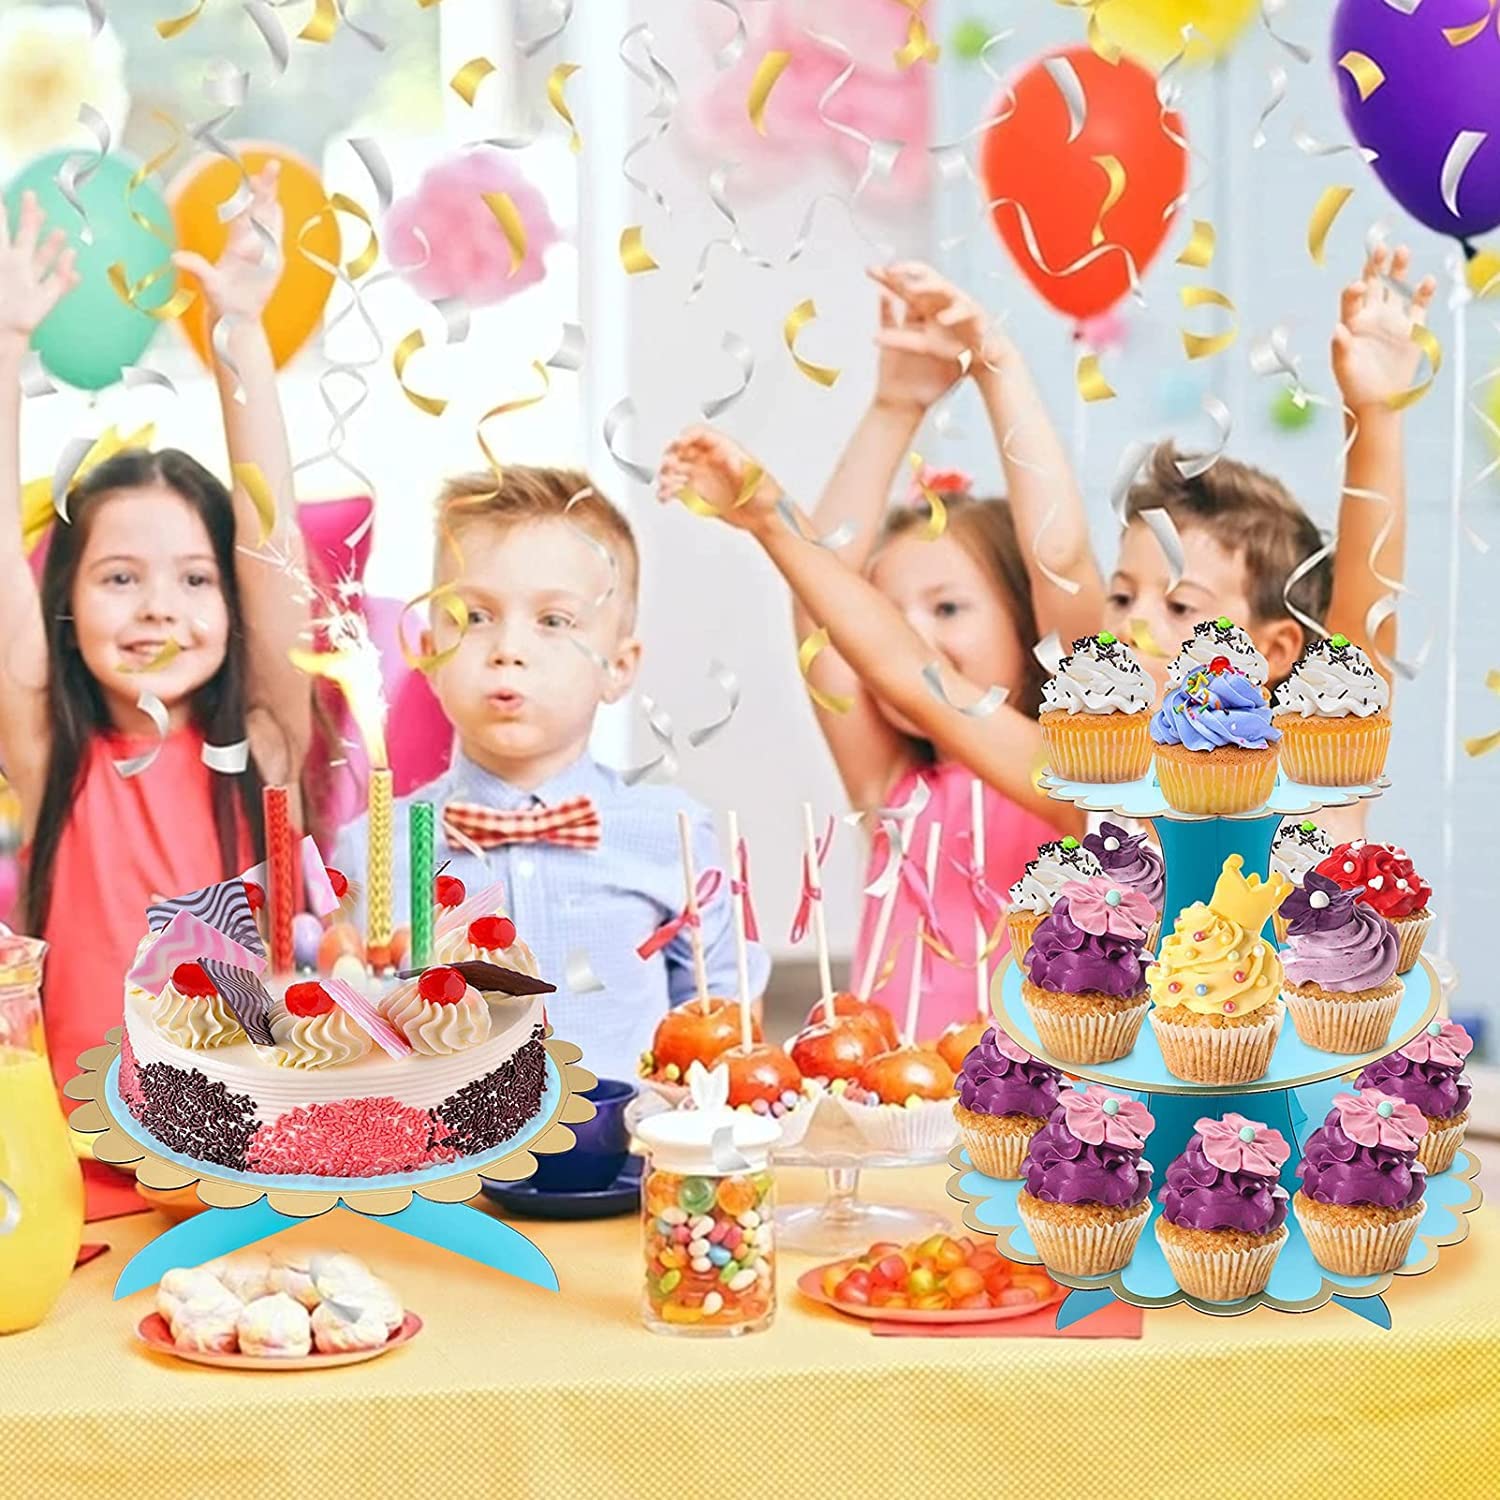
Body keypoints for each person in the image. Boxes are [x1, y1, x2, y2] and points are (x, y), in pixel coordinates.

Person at [0, 164, 311, 1092]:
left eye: (194, 578)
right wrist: (10, 342)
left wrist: (241, 338)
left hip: (250, 1162)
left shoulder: (264, 744)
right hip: (88, 1183)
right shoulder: (52, 748)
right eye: (119, 577)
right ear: (65, 605)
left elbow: (271, 538)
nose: (158, 608)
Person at [332, 466, 767, 1082]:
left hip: (631, 1163)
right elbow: (344, 1029)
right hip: (445, 1166)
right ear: (429, 653)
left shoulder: (672, 835)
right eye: (475, 616)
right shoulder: (370, 848)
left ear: (618, 666)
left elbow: (726, 1016)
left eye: (554, 621)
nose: (508, 648)